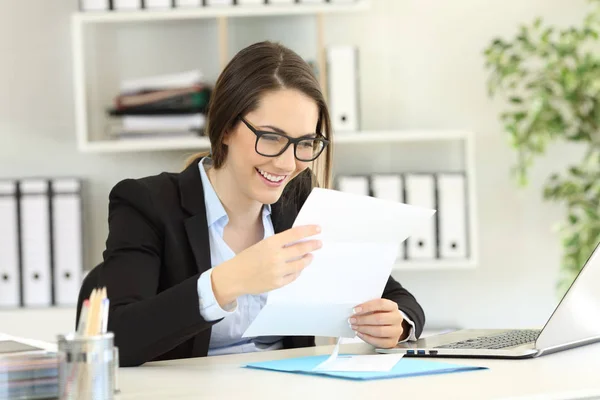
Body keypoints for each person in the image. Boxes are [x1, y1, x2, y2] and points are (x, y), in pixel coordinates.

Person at [97, 41, 425, 367]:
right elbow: (115, 338)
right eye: (270, 137)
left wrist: (398, 323)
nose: (287, 164)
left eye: (305, 143)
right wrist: (228, 281)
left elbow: (397, 298)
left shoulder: (300, 201)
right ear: (225, 127)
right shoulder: (147, 204)